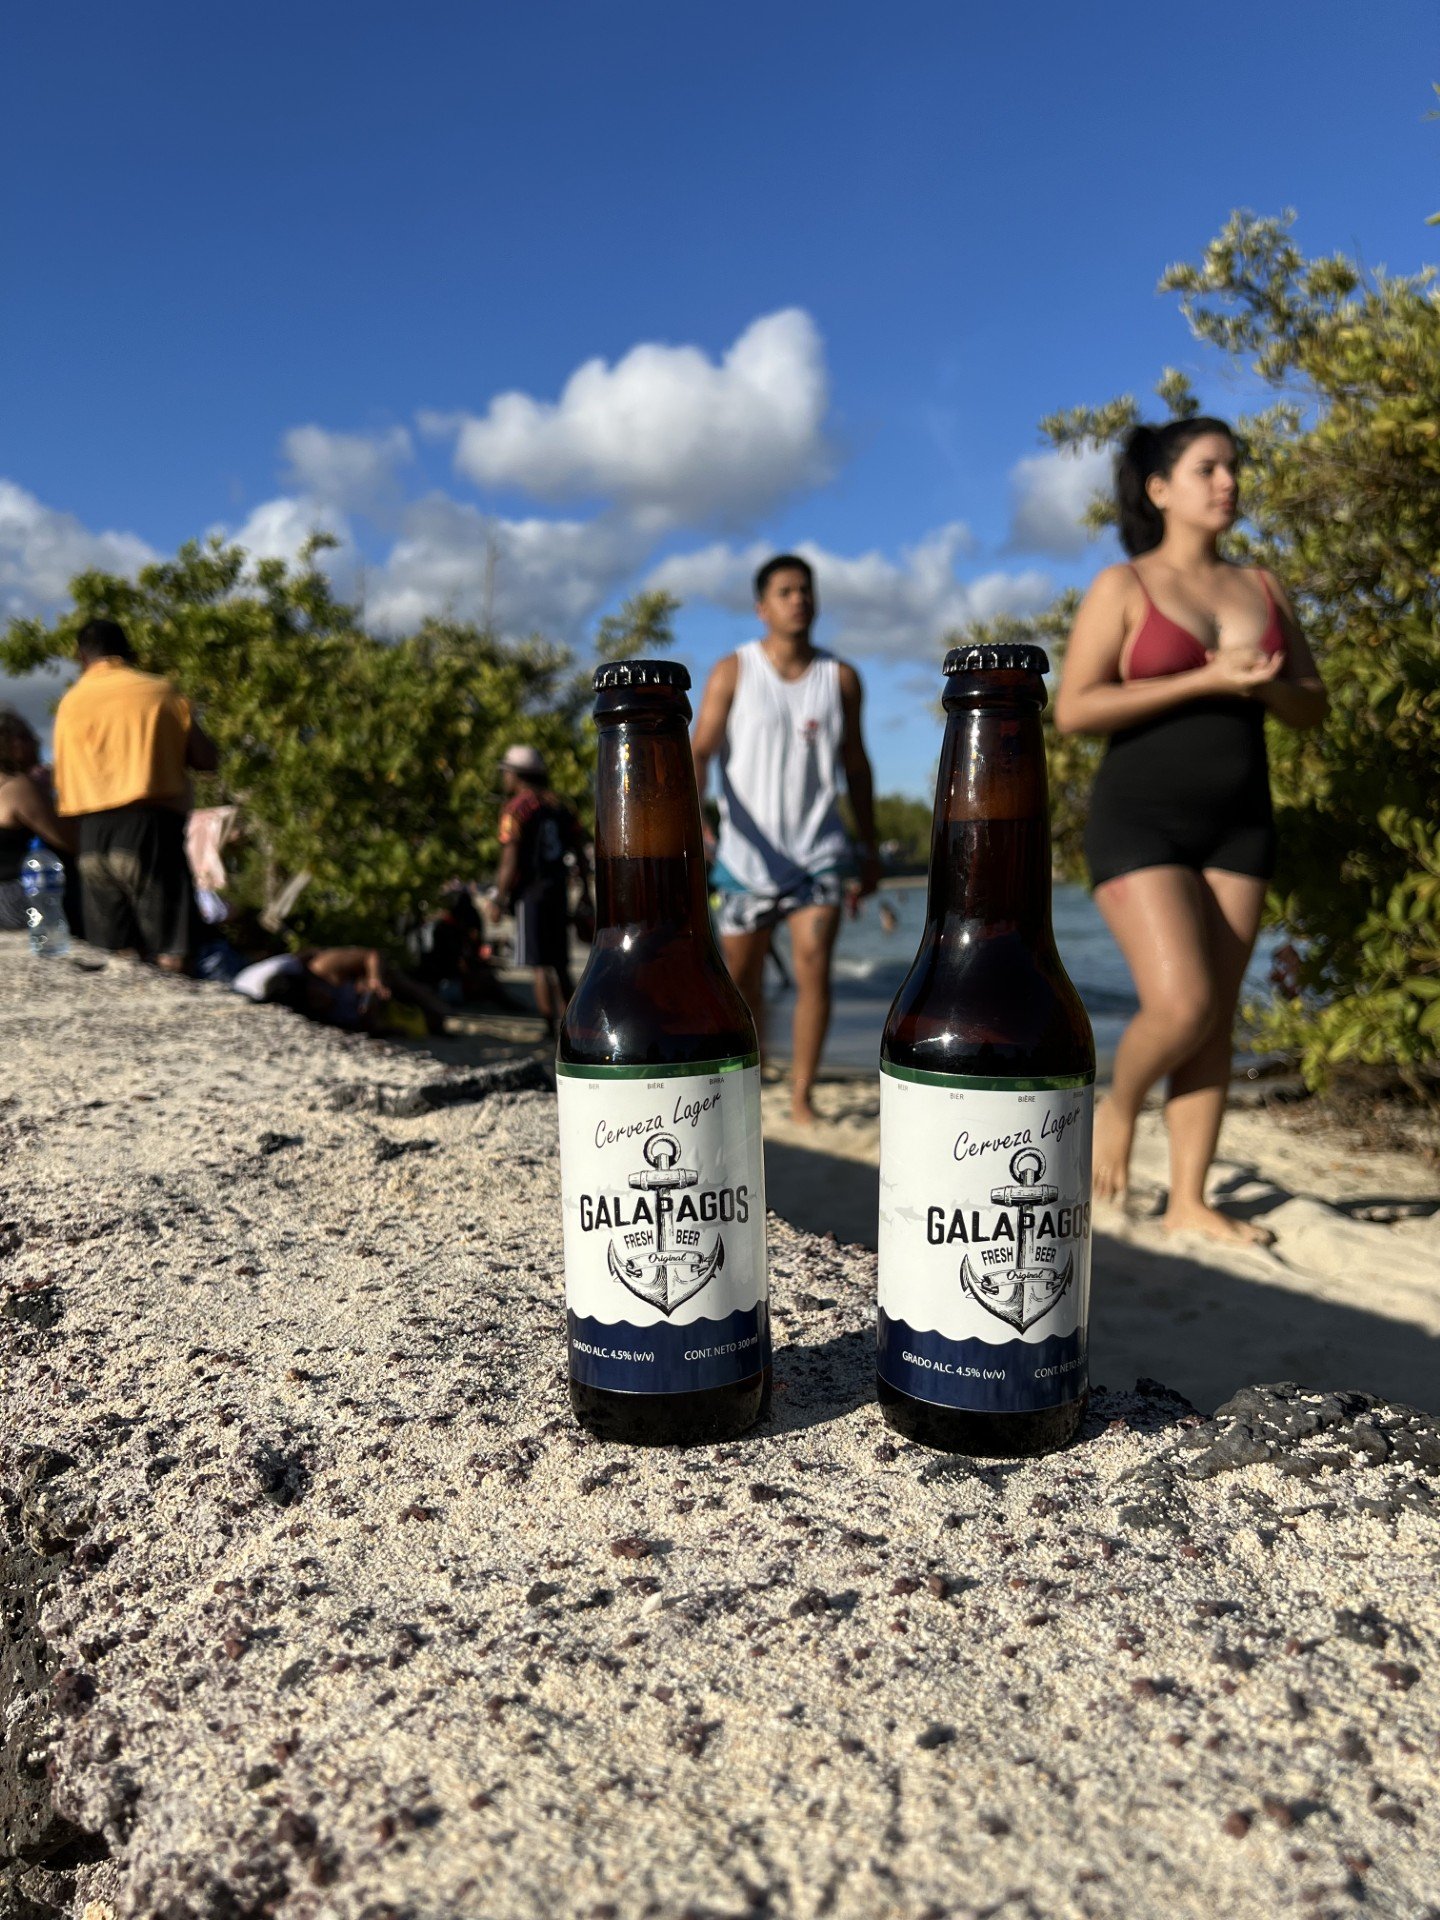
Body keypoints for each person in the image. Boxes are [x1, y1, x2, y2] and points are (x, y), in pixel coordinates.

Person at [1054, 418, 1326, 1244]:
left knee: (1218, 1021)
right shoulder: (1123, 587)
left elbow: (1312, 707)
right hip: (1142, 820)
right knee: (1183, 1003)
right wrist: (1208, 675)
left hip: (1241, 821)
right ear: (1159, 488)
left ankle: (1189, 1200)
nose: (1228, 482)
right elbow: (1074, 710)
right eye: (1208, 468)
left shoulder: (1264, 587)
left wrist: (1265, 687)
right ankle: (1120, 1103)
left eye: (1235, 468)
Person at [691, 554, 881, 1124]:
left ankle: (802, 1097)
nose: (798, 599)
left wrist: (867, 846)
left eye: (805, 590)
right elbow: (700, 749)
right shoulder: (733, 670)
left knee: (813, 967)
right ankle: (749, 1075)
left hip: (818, 856)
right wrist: (692, 812)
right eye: (784, 591)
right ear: (762, 607)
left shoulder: (840, 678)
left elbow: (858, 766)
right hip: (745, 859)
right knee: (741, 981)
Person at [52, 618, 218, 970]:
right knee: (171, 950)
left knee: (117, 957)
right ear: (129, 652)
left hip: (91, 837)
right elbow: (205, 759)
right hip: (149, 829)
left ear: (82, 657)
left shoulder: (69, 703)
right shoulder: (159, 691)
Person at [487, 744, 590, 1036]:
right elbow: (581, 853)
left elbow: (510, 858)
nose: (504, 778)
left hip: (530, 893)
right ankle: (575, 1029)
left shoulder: (516, 809)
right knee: (560, 963)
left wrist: (498, 897)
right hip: (556, 890)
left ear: (517, 774)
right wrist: (586, 892)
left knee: (538, 965)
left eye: (506, 772)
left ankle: (549, 1028)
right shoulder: (560, 807)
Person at [231, 946, 451, 1034]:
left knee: (394, 978)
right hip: (369, 1011)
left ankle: (439, 1016)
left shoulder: (323, 967)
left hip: (379, 989)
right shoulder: (311, 1011)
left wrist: (375, 981)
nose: (322, 999)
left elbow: (371, 955)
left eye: (318, 994)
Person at [0, 709, 74, 931]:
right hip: (21, 899)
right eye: (31, 737)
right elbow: (68, 839)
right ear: (14, 744)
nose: (38, 743)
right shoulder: (19, 788)